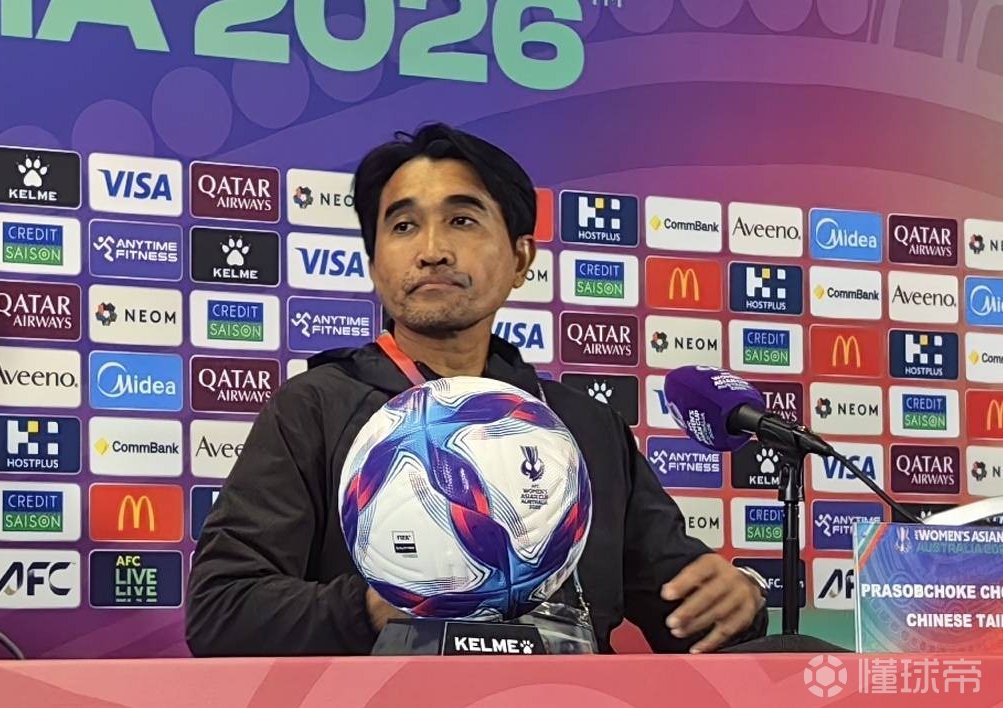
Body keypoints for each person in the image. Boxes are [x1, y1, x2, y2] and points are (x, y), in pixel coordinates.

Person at [185, 123, 768, 657]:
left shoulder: (586, 426)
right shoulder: (314, 407)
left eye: (462, 220)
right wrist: (376, 605)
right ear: (375, 264)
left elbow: (683, 609)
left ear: (520, 259)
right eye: (403, 226)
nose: (432, 250)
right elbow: (221, 611)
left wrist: (736, 600)